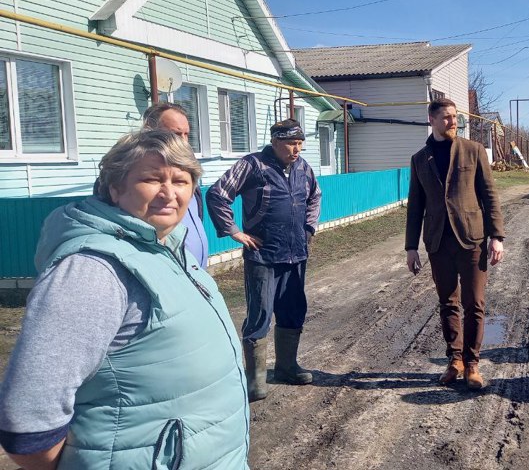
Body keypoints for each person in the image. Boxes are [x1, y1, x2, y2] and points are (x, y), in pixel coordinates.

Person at [0, 130, 249, 469]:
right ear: (115, 188)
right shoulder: (93, 270)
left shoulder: (167, 247)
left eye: (181, 180)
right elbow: (29, 422)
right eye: (152, 178)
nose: (169, 193)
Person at [206, 118, 321, 402]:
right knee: (260, 313)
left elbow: (315, 197)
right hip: (263, 255)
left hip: (295, 253)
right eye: (291, 144)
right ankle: (255, 379)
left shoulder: (303, 168)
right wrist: (235, 232)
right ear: (275, 142)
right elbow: (218, 194)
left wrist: (309, 227)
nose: (297, 150)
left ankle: (286, 367)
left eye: (300, 144)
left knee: (294, 310)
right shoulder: (253, 165)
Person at [405, 98, 505, 390]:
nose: (453, 122)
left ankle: (472, 365)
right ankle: (455, 360)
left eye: (455, 117)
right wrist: (411, 246)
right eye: (447, 117)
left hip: (472, 239)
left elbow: (490, 195)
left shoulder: (473, 151)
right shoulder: (420, 159)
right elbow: (415, 206)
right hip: (437, 242)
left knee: (474, 303)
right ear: (431, 120)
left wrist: (496, 237)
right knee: (447, 303)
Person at [142, 102, 209, 268]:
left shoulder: (188, 175)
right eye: (176, 134)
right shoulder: (131, 178)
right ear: (150, 131)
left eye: (187, 134)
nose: (184, 142)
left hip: (195, 275)